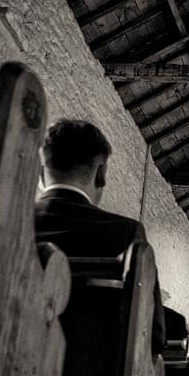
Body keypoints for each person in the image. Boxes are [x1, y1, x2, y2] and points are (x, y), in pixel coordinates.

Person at [34, 118, 166, 354]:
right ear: (101, 174)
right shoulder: (126, 233)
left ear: (40, 169)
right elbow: (153, 336)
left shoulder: (2, 218)